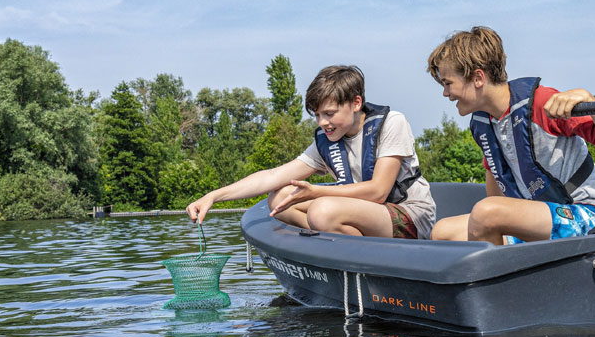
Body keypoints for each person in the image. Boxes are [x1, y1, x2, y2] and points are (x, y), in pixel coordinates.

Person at [426, 26, 595, 245]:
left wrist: (589, 100)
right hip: (540, 219)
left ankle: (501, 278)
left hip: (589, 216)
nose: (445, 93)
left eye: (448, 83)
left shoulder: (541, 103)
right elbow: (496, 197)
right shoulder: (484, 126)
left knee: (486, 213)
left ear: (477, 78)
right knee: (443, 231)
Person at [186, 65, 436, 239]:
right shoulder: (327, 140)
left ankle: (354, 247)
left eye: (329, 114)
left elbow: (379, 191)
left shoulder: (392, 123)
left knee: (322, 210)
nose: (322, 123)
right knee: (280, 197)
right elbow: (272, 176)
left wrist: (316, 192)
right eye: (317, 115)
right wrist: (213, 196)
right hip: (361, 213)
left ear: (356, 103)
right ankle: (333, 237)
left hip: (408, 215)